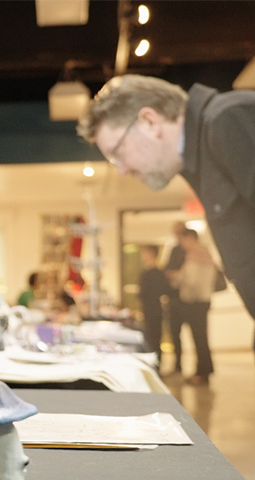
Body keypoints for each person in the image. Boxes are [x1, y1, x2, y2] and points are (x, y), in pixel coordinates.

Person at [76, 74, 255, 323]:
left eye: (118, 153)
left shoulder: (226, 120)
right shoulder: (202, 153)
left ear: (149, 121)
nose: (122, 170)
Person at [175, 228, 215, 385]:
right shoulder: (206, 253)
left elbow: (191, 282)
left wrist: (178, 279)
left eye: (183, 240)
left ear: (190, 238)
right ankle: (204, 370)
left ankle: (201, 372)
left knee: (199, 338)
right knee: (202, 337)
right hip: (204, 300)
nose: (182, 245)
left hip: (195, 302)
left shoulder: (194, 254)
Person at [138, 244, 170, 368]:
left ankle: (155, 365)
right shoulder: (158, 273)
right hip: (154, 309)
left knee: (154, 339)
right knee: (154, 338)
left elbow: (144, 293)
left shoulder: (152, 274)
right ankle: (156, 365)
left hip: (153, 310)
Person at [163, 221, 188, 376]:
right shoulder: (174, 250)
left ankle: (202, 369)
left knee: (198, 335)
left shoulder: (192, 251)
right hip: (174, 299)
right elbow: (167, 270)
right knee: (175, 333)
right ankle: (178, 365)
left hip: (191, 300)